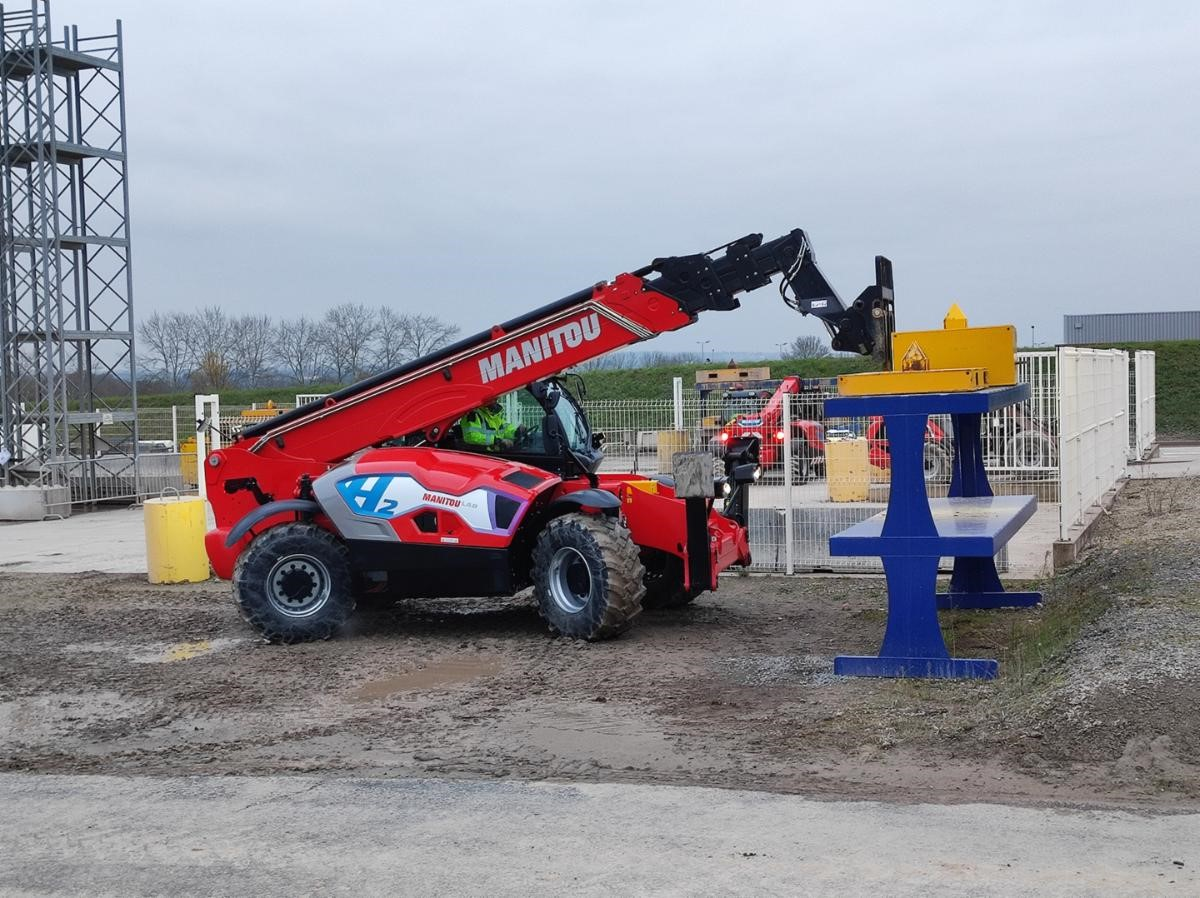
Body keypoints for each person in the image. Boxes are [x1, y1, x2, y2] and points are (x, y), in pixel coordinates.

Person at [459, 399, 526, 451]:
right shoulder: (473, 415)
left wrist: (516, 432)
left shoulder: (495, 415)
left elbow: (504, 430)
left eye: (496, 399)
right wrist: (496, 441)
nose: (496, 401)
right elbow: (471, 437)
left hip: (496, 454)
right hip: (483, 456)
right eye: (493, 399)